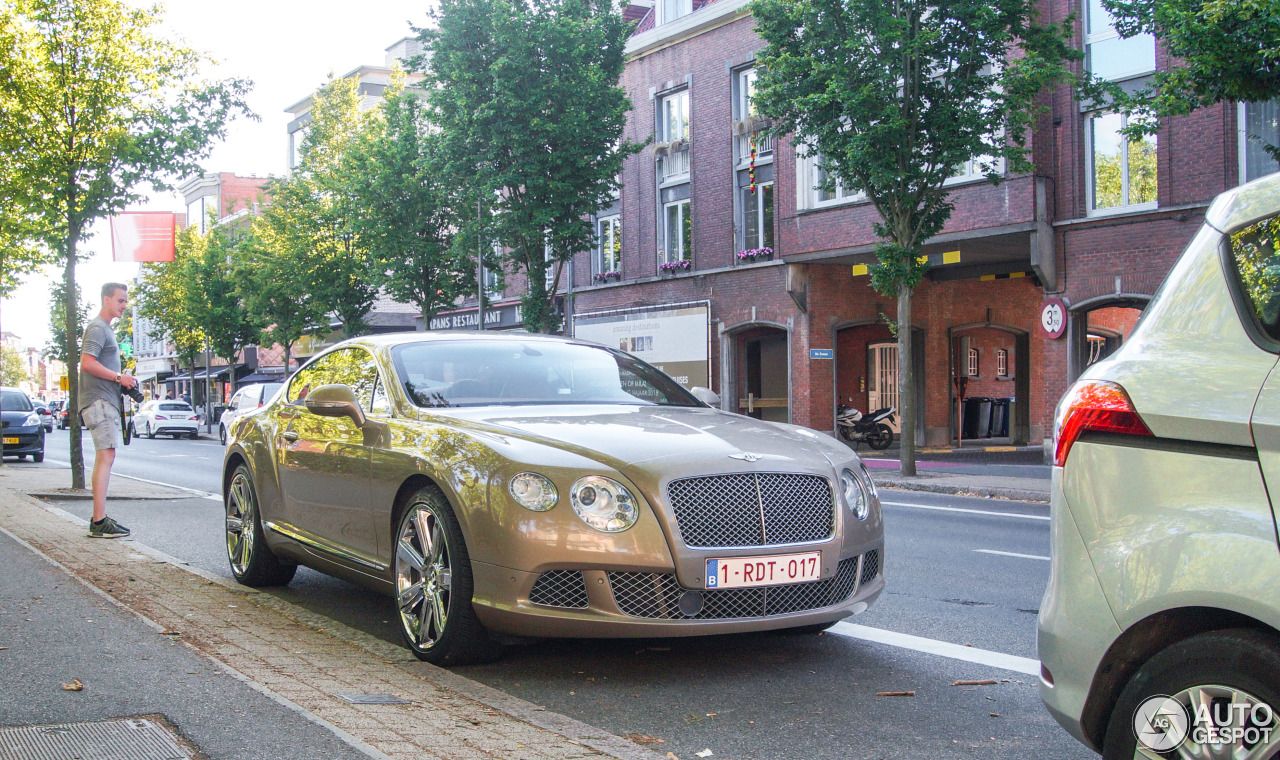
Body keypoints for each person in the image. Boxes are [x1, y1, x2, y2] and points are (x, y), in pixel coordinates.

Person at [79, 282, 138, 539]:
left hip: (105, 400)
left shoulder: (105, 329)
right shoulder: (98, 328)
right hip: (99, 401)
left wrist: (121, 381)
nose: (124, 306)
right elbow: (86, 363)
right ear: (106, 300)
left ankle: (99, 518)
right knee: (106, 457)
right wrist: (118, 378)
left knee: (107, 456)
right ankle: (99, 521)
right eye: (120, 301)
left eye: (125, 301)